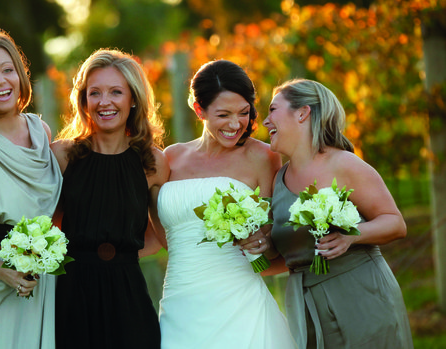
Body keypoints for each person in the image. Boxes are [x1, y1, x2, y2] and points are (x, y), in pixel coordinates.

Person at [262, 78, 413, 349]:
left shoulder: (343, 164)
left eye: (273, 110)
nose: (265, 121)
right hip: (306, 305)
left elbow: (395, 223)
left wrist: (351, 236)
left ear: (302, 113)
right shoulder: (278, 179)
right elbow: (291, 256)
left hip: (361, 295)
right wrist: (251, 259)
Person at [155, 59, 296, 348]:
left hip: (238, 299)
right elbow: (164, 232)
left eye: (243, 113)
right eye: (223, 114)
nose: (235, 124)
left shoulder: (264, 156)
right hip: (180, 299)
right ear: (199, 110)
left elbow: (272, 239)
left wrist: (261, 244)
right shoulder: (170, 158)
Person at [51, 48, 168, 348]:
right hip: (70, 292)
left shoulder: (153, 161)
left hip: (128, 291)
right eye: (95, 93)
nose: (104, 102)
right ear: (83, 101)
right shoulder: (62, 155)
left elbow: (160, 235)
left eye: (116, 92)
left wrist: (120, 257)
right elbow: (49, 224)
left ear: (133, 99)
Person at [0, 31, 62, 348]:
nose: (0, 81)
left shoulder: (41, 131)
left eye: (7, 69)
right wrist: (0, 271)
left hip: (41, 285)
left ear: (20, 75)